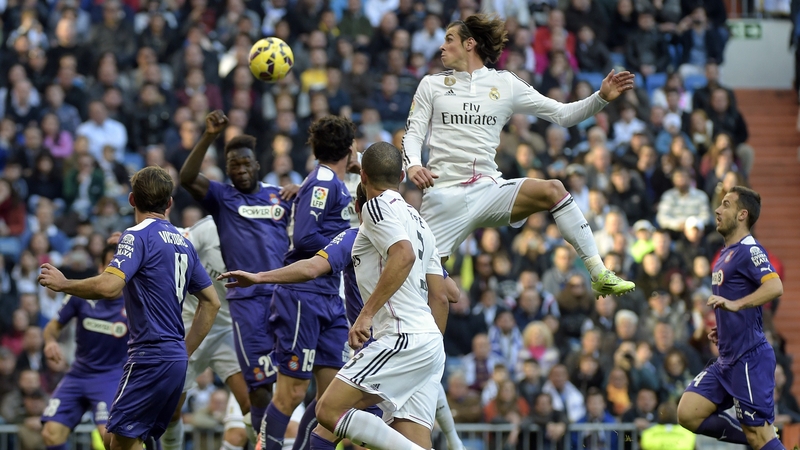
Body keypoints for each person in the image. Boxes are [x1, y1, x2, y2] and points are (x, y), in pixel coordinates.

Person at [402, 13, 636, 298]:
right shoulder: (431, 85)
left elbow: (561, 114)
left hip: (488, 189)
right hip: (443, 196)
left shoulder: (505, 84)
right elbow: (413, 133)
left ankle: (598, 272)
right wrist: (413, 164)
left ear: (469, 44)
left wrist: (599, 98)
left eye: (449, 39)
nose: (442, 47)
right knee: (423, 287)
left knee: (554, 189)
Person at [220, 182, 464, 450]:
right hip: (422, 345)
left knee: (326, 423)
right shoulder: (414, 239)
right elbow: (450, 293)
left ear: (357, 208)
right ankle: (454, 443)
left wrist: (258, 278)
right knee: (383, 434)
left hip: (383, 345)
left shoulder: (357, 236)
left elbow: (312, 267)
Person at [38, 165, 221, 450]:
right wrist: (184, 350)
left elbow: (110, 287)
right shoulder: (184, 244)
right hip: (174, 360)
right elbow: (212, 302)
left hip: (148, 356)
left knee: (121, 442)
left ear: (132, 199)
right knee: (123, 439)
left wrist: (64, 283)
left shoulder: (136, 235)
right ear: (170, 203)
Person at [312, 142, 447, 450]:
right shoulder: (421, 222)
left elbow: (403, 255)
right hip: (429, 341)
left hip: (402, 336)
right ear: (402, 175)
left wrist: (366, 313)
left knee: (328, 411)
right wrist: (429, 350)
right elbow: (441, 295)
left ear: (364, 180)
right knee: (406, 440)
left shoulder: (374, 206)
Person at [180, 110, 294, 439]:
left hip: (284, 297)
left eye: (246, 163)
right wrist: (209, 136)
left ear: (257, 165)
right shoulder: (223, 198)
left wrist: (300, 187)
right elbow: (187, 178)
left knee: (298, 382)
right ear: (228, 170)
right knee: (258, 388)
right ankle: (264, 444)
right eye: (235, 166)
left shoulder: (278, 197)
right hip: (246, 304)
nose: (241, 170)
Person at [257, 115, 355, 450]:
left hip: (328, 295)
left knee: (331, 400)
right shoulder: (324, 182)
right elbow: (304, 236)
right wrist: (346, 243)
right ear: (349, 148)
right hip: (303, 294)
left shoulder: (332, 182)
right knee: (291, 394)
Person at [677, 186, 786, 450]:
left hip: (749, 357)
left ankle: (764, 439)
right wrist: (723, 329)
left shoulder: (750, 249)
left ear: (742, 215)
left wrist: (736, 305)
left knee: (759, 437)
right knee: (688, 413)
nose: (717, 209)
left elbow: (775, 287)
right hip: (727, 359)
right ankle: (762, 438)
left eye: (726, 204)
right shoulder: (726, 252)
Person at [159, 216, 252, 450]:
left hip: (227, 329)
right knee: (170, 411)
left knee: (253, 404)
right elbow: (176, 240)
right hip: (191, 323)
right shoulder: (210, 226)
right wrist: (141, 244)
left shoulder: (261, 238)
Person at [40, 244, 128, 450]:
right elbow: (53, 327)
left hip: (112, 376)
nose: (114, 272)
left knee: (109, 437)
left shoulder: (135, 302)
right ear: (100, 268)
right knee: (51, 433)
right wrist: (50, 341)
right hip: (78, 374)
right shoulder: (80, 295)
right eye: (110, 265)